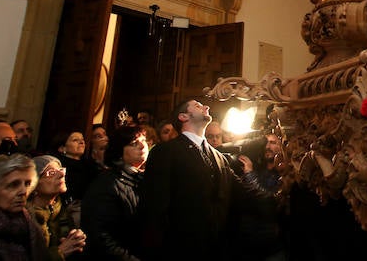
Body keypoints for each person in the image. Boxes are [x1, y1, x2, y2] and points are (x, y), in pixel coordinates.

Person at [140, 99, 238, 259]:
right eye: (198, 106)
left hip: (216, 249)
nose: (206, 107)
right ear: (183, 116)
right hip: (180, 249)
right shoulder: (165, 152)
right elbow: (154, 206)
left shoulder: (219, 157)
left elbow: (237, 193)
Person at [81, 125, 149, 260]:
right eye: (134, 143)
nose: (142, 146)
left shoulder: (143, 178)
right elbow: (101, 237)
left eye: (144, 140)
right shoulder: (107, 184)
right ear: (119, 151)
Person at [234, 132, 288, 261]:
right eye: (266, 143)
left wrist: (250, 175)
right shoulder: (257, 168)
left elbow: (270, 202)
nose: (267, 146)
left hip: (271, 244)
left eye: (273, 143)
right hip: (248, 242)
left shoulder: (284, 174)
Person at [28, 155, 86, 259]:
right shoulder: (25, 218)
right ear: (34, 184)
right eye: (51, 173)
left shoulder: (62, 213)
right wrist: (60, 253)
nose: (62, 174)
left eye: (61, 170)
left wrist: (76, 241)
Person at [52, 130, 100, 202]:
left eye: (82, 139)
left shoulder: (90, 165)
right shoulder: (57, 166)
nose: (82, 142)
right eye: (75, 140)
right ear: (62, 148)